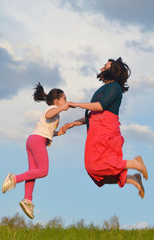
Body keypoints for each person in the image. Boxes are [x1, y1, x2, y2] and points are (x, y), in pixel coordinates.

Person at [61, 57, 148, 199]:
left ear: (112, 70)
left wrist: (76, 104)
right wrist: (72, 124)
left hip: (105, 129)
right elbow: (94, 113)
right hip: (96, 128)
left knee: (95, 165)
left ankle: (133, 163)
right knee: (95, 170)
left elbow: (100, 106)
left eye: (104, 66)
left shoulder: (115, 87)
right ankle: (132, 178)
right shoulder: (104, 88)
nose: (101, 68)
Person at [1, 82, 69, 219]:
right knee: (43, 171)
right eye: (64, 99)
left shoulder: (56, 112)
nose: (66, 102)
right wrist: (62, 108)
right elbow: (49, 114)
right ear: (57, 100)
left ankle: (27, 200)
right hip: (37, 141)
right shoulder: (53, 108)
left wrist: (57, 133)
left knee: (33, 173)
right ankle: (14, 178)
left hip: (34, 140)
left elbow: (46, 129)